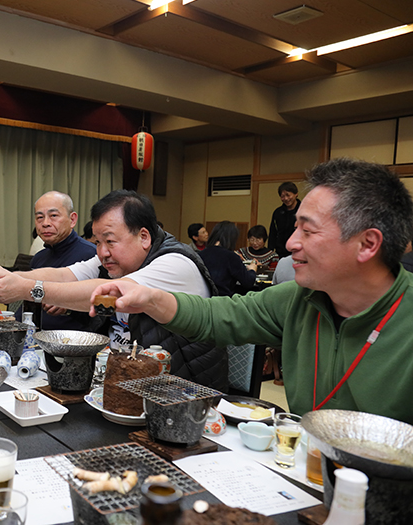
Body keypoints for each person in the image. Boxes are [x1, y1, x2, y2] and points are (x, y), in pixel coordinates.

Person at [90, 158, 413, 424]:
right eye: (295, 227)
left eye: (308, 230)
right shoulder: (298, 300)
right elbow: (220, 316)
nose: (290, 243)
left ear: (367, 244)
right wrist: (150, 298)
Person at [0, 189, 228, 390]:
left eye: (110, 241)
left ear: (143, 237)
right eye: (97, 242)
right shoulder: (116, 257)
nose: (102, 252)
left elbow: (108, 292)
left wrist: (26, 290)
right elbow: (66, 275)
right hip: (126, 381)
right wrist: (5, 275)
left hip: (184, 392)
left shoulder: (175, 263)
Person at [28, 191, 96, 331]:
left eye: (53, 216)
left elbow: (103, 315)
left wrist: (70, 306)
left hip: (75, 345)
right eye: (40, 217)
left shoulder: (93, 256)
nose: (45, 223)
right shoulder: (39, 258)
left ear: (72, 220)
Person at [199, 221, 257, 297]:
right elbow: (248, 282)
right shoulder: (231, 257)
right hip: (223, 301)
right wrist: (252, 269)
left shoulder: (200, 254)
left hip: (202, 299)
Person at [268, 181, 301, 257]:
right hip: (281, 253)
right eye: (282, 196)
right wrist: (270, 252)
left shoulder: (303, 210)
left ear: (296, 194)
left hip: (299, 251)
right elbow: (273, 233)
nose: (286, 198)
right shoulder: (277, 212)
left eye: (288, 195)